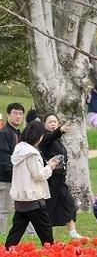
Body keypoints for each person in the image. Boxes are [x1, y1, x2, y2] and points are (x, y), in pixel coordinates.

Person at [5, 120, 55, 246]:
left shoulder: (19, 148)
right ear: (38, 136)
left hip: (21, 198)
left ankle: (7, 253)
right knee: (46, 231)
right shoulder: (32, 153)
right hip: (33, 198)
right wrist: (50, 167)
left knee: (16, 231)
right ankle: (54, 255)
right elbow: (39, 175)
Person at [39, 115, 77, 239]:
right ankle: (44, 233)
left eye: (55, 122)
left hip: (60, 179)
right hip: (50, 180)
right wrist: (59, 130)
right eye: (50, 122)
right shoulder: (45, 137)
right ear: (44, 124)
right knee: (48, 208)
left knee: (69, 203)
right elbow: (52, 136)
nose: (53, 124)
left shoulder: (58, 140)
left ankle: (73, 232)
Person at [0, 101, 23, 231]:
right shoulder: (4, 133)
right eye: (15, 113)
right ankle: (1, 237)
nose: (18, 116)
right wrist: (15, 175)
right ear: (8, 115)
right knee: (3, 210)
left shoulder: (18, 133)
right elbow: (4, 159)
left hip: (15, 177)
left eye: (20, 114)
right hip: (5, 178)